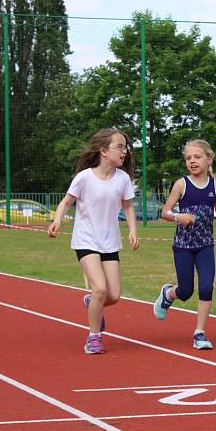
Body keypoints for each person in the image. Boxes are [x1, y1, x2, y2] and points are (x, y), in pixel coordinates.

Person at [48, 128, 139, 354]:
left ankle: (92, 303)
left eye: (125, 147)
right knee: (100, 288)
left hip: (110, 241)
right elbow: (66, 202)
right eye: (119, 146)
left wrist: (132, 230)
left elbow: (128, 206)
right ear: (103, 151)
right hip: (86, 239)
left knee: (113, 295)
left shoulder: (123, 179)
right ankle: (94, 337)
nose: (124, 152)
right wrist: (57, 220)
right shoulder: (84, 177)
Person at [153, 139, 216, 350]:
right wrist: (178, 217)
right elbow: (165, 212)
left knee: (207, 287)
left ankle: (199, 333)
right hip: (183, 245)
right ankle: (167, 294)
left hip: (205, 245)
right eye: (188, 158)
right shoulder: (181, 184)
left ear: (208, 159)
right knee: (185, 291)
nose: (192, 161)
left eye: (197, 157)